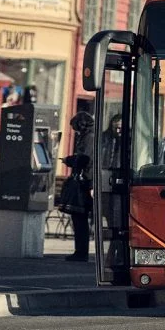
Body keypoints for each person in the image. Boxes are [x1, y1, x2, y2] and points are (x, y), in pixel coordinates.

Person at [62, 112, 95, 262]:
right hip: (87, 181)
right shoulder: (89, 136)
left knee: (79, 218)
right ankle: (80, 251)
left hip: (85, 182)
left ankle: (81, 252)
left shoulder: (89, 137)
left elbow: (85, 159)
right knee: (80, 218)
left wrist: (69, 160)